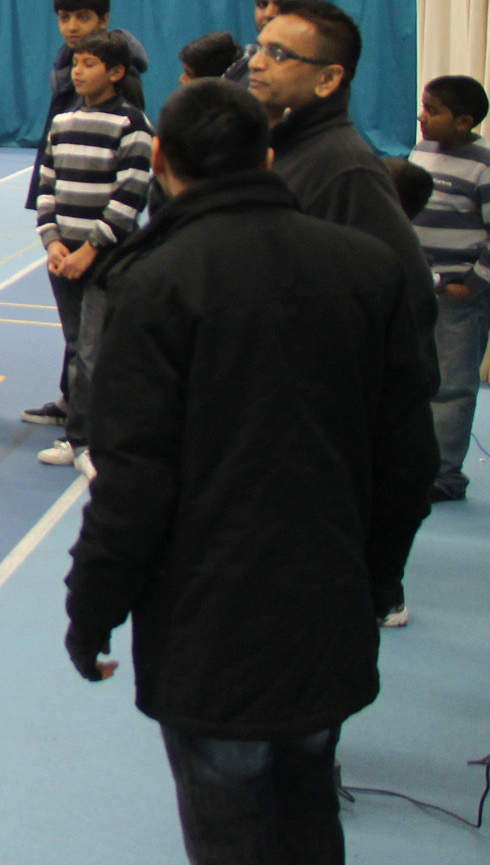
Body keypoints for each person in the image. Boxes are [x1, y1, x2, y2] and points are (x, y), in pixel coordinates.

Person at [64, 78, 434, 865]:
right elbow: (409, 459)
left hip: (211, 625)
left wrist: (93, 608)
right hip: (324, 606)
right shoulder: (369, 267)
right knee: (307, 817)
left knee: (231, 830)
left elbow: (133, 480)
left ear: (159, 158)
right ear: (268, 157)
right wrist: (374, 580)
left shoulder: (154, 282)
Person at [247, 0, 438, 621]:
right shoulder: (281, 150)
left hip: (319, 450)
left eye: (279, 53)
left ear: (329, 79)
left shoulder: (343, 171)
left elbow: (405, 306)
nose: (257, 62)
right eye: (258, 45)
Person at [20, 0, 147, 431]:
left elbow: (130, 182)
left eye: (83, 17)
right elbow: (54, 157)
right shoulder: (65, 71)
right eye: (65, 17)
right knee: (78, 339)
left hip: (103, 243)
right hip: (64, 231)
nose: (72, 26)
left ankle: (92, 422)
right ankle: (73, 403)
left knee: (96, 340)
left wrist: (93, 245)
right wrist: (49, 228)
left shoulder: (125, 100)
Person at [32, 32, 155, 475]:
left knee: (93, 350)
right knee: (75, 344)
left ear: (116, 72)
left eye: (88, 64)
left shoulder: (133, 125)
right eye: (75, 64)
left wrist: (91, 248)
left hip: (106, 258)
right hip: (65, 258)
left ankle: (86, 440)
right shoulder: (63, 122)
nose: (78, 72)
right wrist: (54, 242)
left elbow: (131, 195)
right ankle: (82, 430)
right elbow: (46, 185)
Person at [410, 74, 490, 503]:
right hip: (419, 286)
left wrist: (472, 284)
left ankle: (445, 474)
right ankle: (415, 462)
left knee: (453, 385)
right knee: (416, 379)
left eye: (433, 111)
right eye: (423, 106)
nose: (421, 117)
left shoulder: (483, 165)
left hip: (458, 295)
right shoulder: (421, 151)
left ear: (464, 121)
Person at [221, 0, 319, 87]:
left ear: (311, 10)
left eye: (283, 5)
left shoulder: (317, 72)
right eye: (262, 4)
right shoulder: (242, 66)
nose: (268, 13)